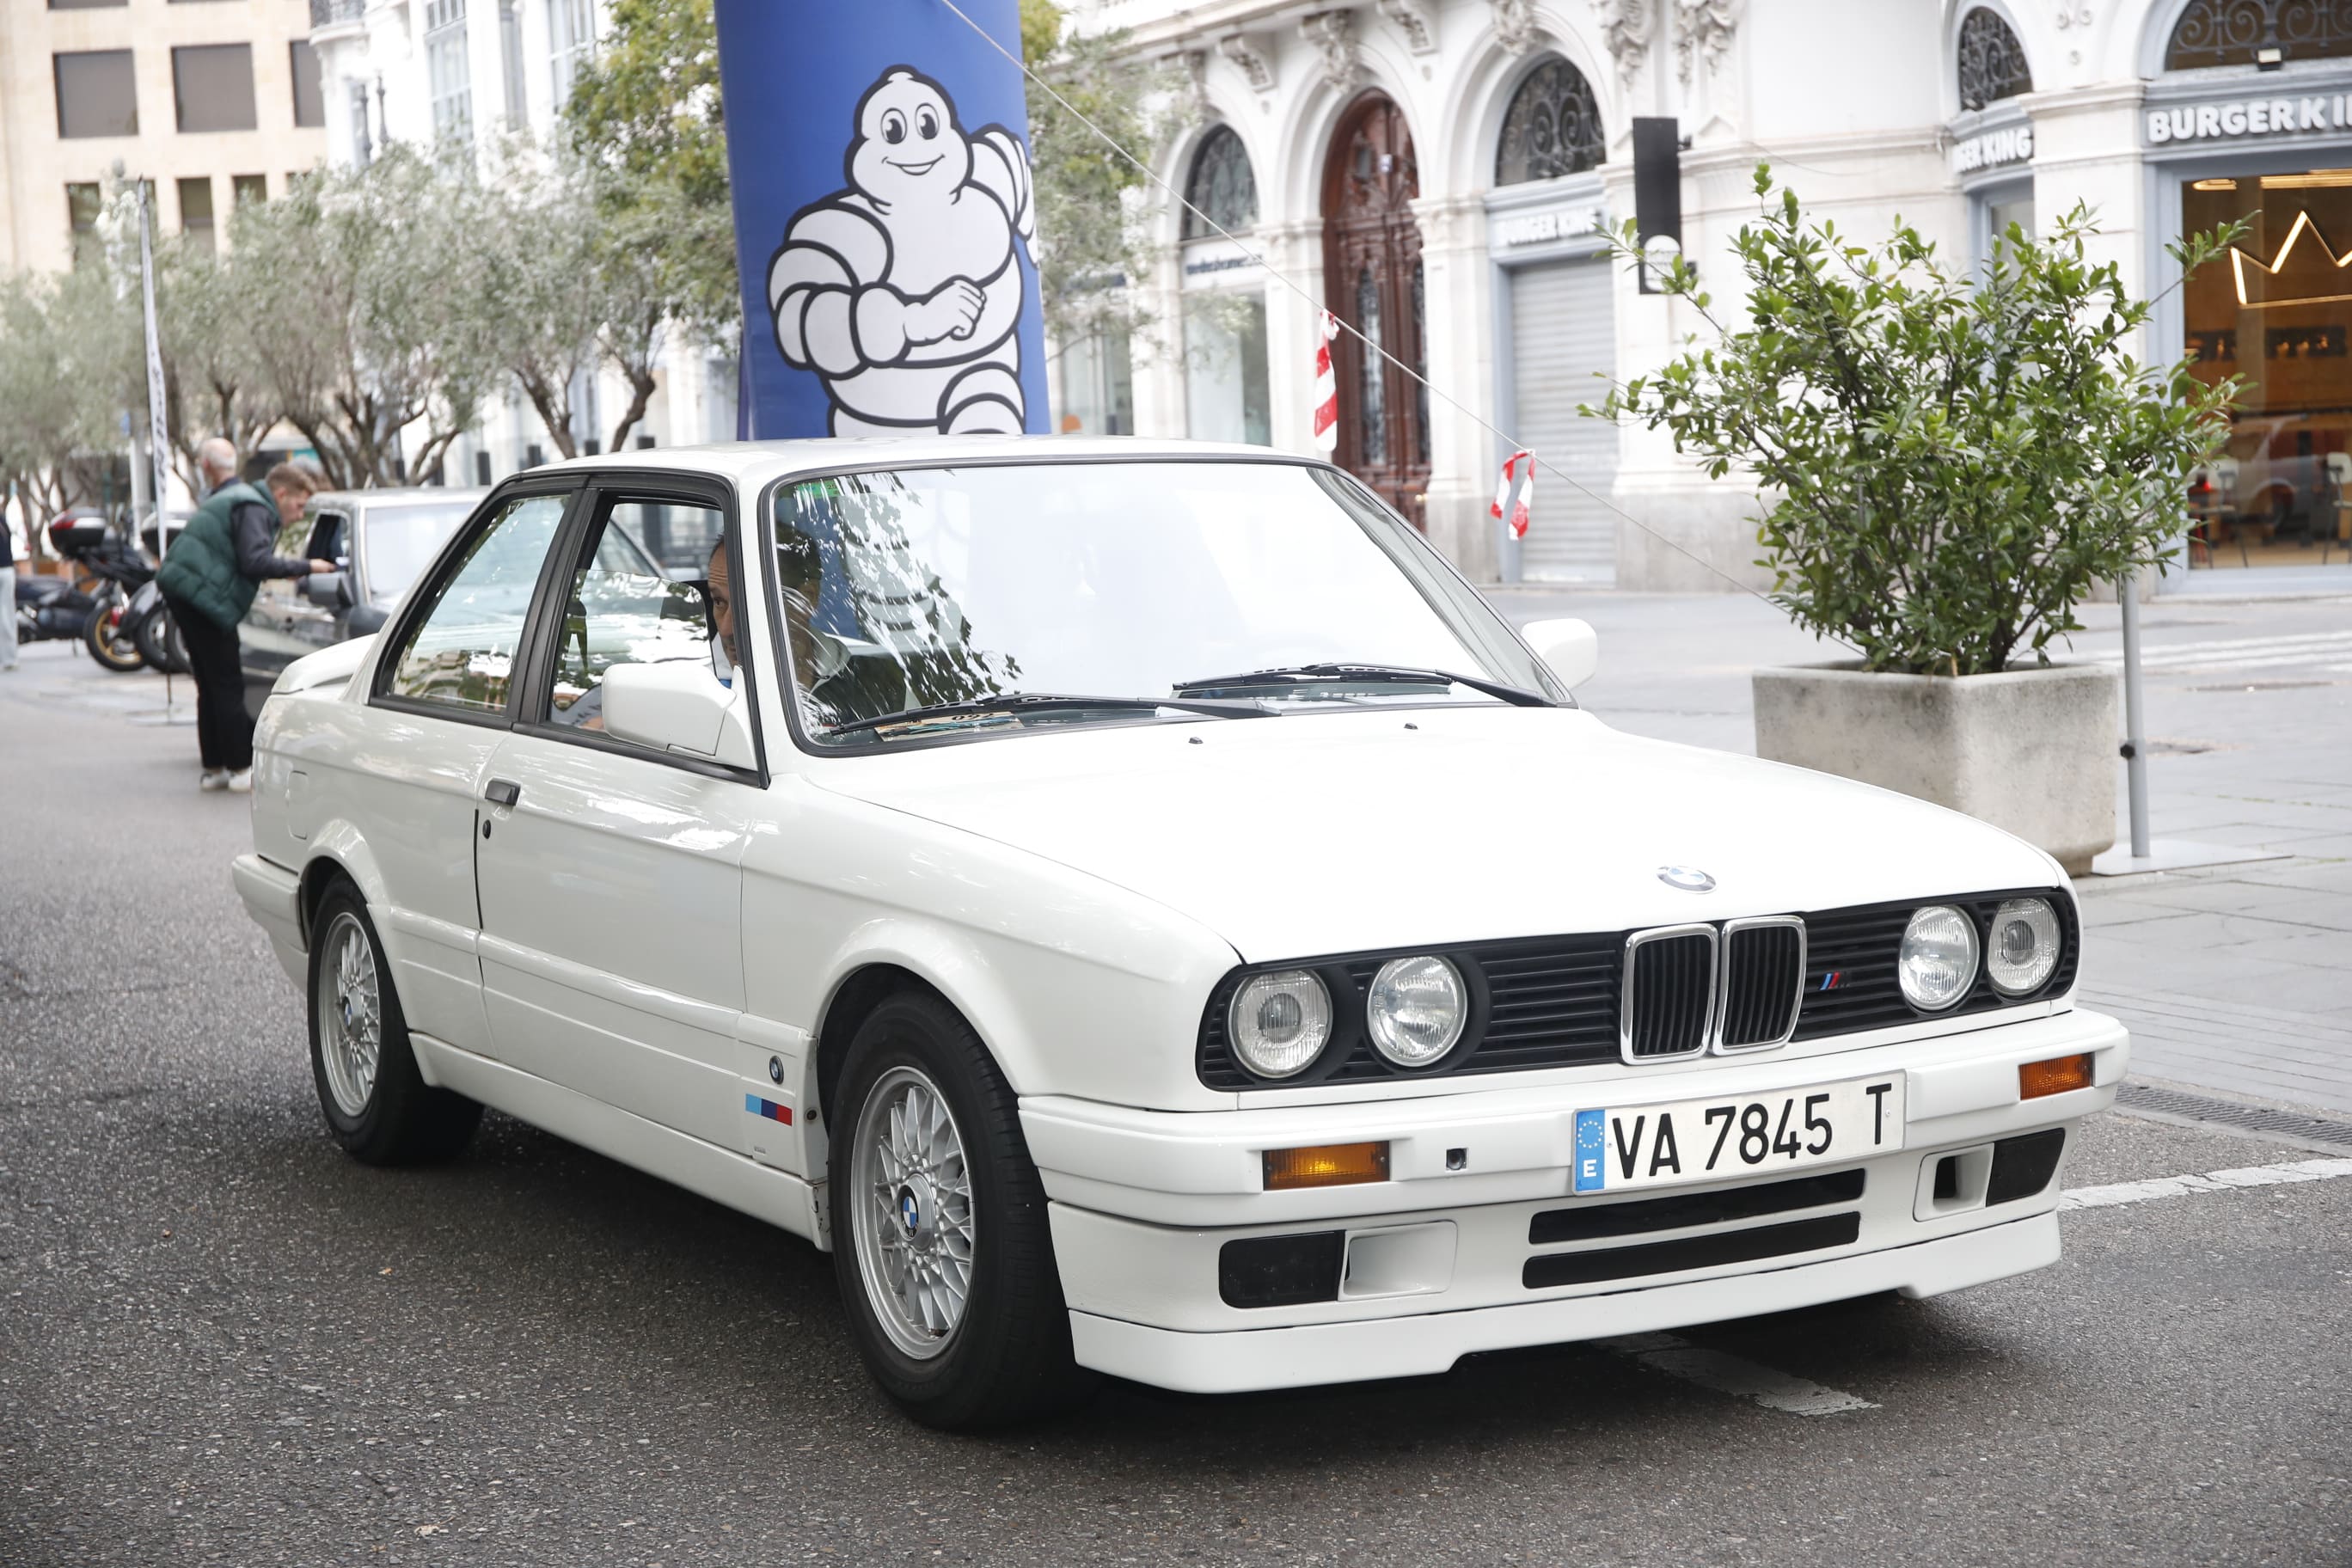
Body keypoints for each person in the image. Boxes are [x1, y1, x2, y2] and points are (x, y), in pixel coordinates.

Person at [154, 441, 331, 793]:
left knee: (209, 684)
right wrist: (307, 566)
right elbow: (255, 560)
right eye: (298, 506)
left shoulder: (242, 499)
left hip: (183, 590)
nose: (298, 515)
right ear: (280, 494)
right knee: (227, 683)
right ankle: (238, 768)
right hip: (199, 597)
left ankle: (215, 768)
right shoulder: (254, 508)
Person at [1, 495, 19, 673]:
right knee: (7, 616)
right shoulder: (3, 521)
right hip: (7, 571)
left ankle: (9, 658)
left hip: (4, 570)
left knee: (5, 617)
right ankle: (10, 658)